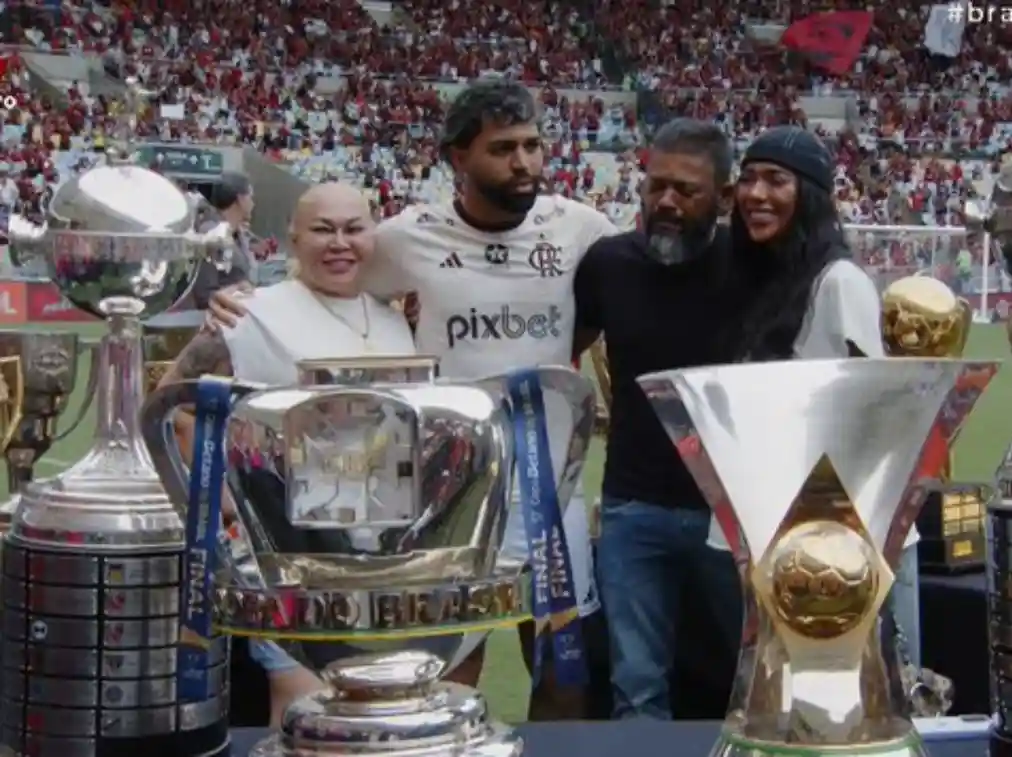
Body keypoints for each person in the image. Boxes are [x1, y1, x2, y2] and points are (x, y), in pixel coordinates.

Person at [203, 79, 616, 721]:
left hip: (549, 480)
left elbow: (612, 300)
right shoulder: (403, 238)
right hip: (452, 486)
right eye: (504, 148)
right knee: (450, 656)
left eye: (534, 146)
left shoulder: (583, 227)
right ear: (458, 157)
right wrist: (241, 305)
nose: (525, 162)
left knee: (564, 658)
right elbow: (330, 278)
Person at [155, 182, 417, 726]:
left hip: (384, 557)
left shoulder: (393, 319)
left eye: (353, 228)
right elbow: (171, 408)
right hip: (286, 554)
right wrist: (228, 503)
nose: (339, 243)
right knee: (302, 705)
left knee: (372, 707)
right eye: (323, 229)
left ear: (374, 234)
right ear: (293, 239)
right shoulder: (250, 313)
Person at [722, 126, 923, 667]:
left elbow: (878, 417)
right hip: (779, 535)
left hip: (846, 545)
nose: (756, 194)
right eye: (747, 179)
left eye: (775, 180)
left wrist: (860, 547)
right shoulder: (757, 285)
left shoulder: (839, 283)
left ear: (809, 195)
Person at [572, 118, 749, 720]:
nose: (666, 202)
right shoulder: (607, 265)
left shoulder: (756, 268)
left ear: (725, 197)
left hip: (733, 511)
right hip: (632, 508)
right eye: (656, 186)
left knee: (752, 681)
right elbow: (562, 350)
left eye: (687, 189)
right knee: (636, 686)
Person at [190, 171, 256, 310]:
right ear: (240, 199)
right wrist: (239, 288)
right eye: (251, 197)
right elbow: (204, 295)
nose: (253, 203)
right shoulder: (210, 235)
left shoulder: (237, 233)